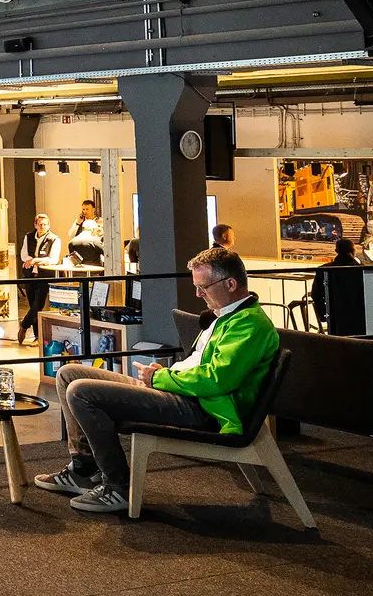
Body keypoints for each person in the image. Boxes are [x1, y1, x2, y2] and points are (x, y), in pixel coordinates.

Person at [34, 247, 279, 514]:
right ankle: (83, 469)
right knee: (69, 374)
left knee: (81, 391)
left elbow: (216, 380)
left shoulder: (249, 324)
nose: (198, 295)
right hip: (184, 393)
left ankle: (117, 486)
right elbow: (201, 367)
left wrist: (161, 377)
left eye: (203, 287)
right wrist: (166, 375)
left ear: (230, 284)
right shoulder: (226, 316)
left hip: (201, 407)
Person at [17, 213, 62, 346]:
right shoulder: (29, 237)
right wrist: (31, 260)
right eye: (40, 224)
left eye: (45, 224)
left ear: (49, 225)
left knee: (38, 306)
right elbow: (23, 254)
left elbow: (53, 259)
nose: (42, 227)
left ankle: (24, 325)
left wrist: (35, 261)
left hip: (45, 277)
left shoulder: (54, 239)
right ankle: (37, 337)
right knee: (33, 306)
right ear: (35, 225)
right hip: (30, 276)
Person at [311, 236, 366, 336]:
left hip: (335, 318)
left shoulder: (324, 270)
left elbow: (316, 295)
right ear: (353, 251)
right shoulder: (362, 270)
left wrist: (324, 315)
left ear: (336, 251)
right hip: (359, 318)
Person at [67, 200, 105, 267]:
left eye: (87, 209)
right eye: (83, 209)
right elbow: (70, 234)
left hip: (96, 252)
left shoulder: (100, 221)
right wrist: (77, 223)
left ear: (93, 210)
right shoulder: (80, 221)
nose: (85, 212)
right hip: (81, 253)